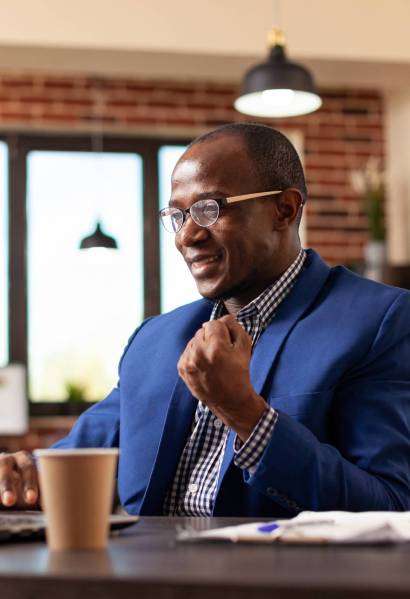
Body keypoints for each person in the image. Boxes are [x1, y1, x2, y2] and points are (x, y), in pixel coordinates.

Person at [1, 123, 410, 517]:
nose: (186, 236)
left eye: (210, 209)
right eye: (178, 216)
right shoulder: (154, 340)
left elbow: (391, 506)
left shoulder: (379, 322)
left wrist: (248, 415)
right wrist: (23, 473)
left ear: (284, 210)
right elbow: (75, 458)